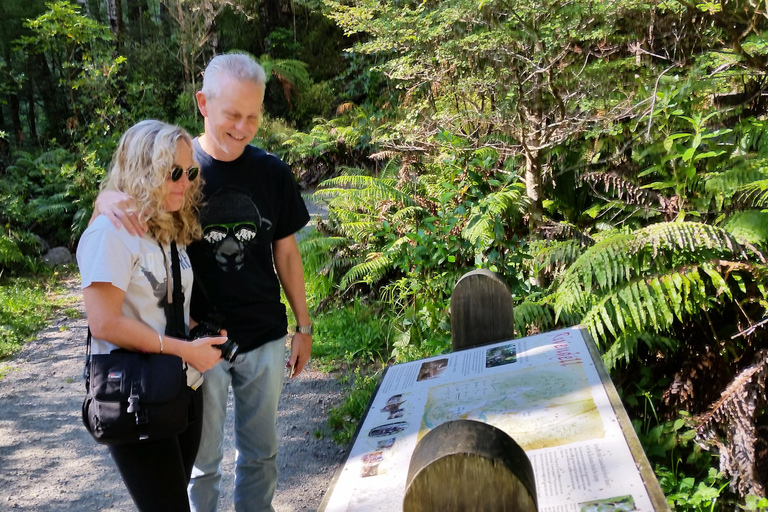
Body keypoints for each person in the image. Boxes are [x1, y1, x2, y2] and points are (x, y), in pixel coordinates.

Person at [93, 53, 313, 512]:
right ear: (203, 104)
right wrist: (105, 198)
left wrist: (303, 326)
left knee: (261, 455)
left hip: (263, 336)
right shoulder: (177, 166)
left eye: (253, 116)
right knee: (201, 462)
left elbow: (287, 253)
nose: (242, 126)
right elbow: (130, 190)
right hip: (196, 344)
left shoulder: (271, 172)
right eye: (232, 113)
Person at [77, 119, 226, 512]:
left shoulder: (163, 226)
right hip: (137, 394)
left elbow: (162, 305)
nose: (184, 182)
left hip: (182, 387)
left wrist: (199, 334)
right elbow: (104, 323)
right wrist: (184, 350)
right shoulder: (110, 232)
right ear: (143, 169)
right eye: (172, 172)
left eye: (189, 172)